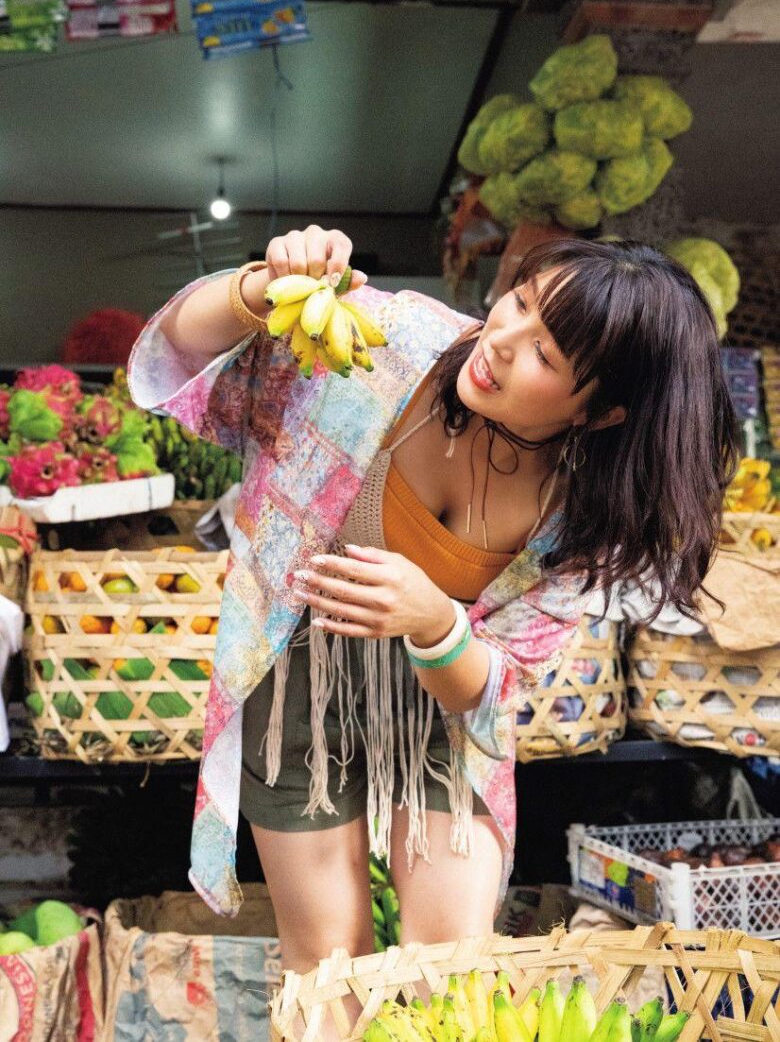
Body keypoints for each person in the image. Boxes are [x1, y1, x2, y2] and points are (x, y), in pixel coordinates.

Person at [128, 226, 737, 978]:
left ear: (601, 412)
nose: (501, 340)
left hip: (444, 715)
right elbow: (180, 349)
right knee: (328, 963)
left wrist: (437, 621)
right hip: (297, 685)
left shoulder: (585, 515)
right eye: (520, 302)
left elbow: (492, 687)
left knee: (449, 963)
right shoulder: (386, 343)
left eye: (545, 355)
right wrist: (262, 285)